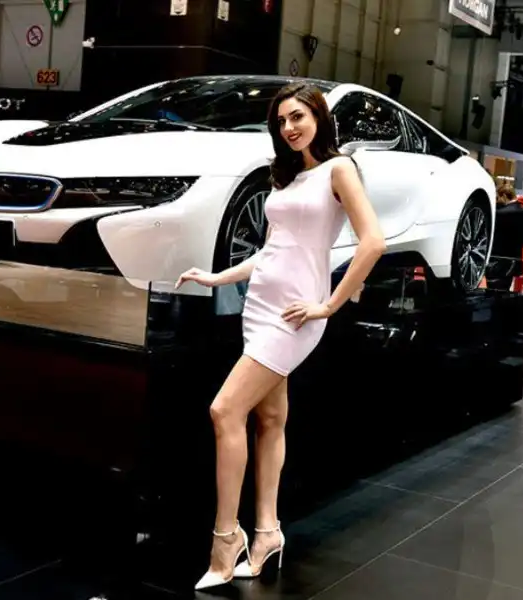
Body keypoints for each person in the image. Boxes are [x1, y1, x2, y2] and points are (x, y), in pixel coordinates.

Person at [175, 82, 387, 590]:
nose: (289, 128)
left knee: (224, 410)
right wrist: (217, 278)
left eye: (298, 117)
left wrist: (328, 306)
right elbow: (271, 252)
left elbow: (373, 241)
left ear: (319, 117)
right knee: (269, 419)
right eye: (281, 122)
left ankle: (226, 539)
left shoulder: (339, 170)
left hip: (296, 316)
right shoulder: (288, 178)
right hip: (260, 307)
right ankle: (267, 532)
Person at [486, 183, 523, 290]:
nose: (497, 200)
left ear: (504, 196)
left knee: (494, 290)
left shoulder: (501, 213)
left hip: (497, 260)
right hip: (513, 259)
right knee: (505, 289)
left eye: (498, 197)